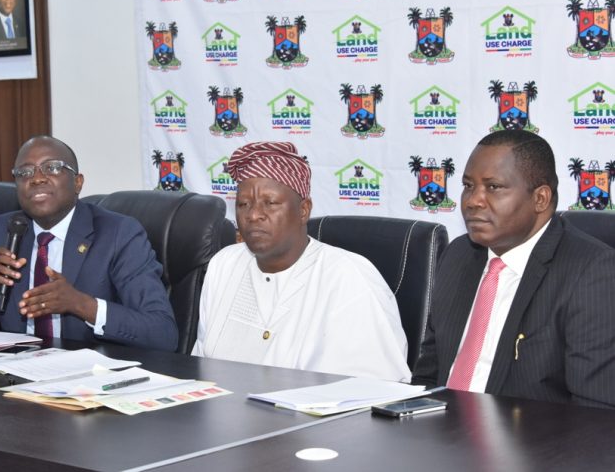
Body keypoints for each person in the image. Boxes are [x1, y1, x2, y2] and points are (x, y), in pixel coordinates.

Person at [412, 130, 615, 408]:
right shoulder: (458, 255)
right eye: (468, 185)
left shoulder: (591, 272)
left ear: (540, 199)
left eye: (493, 187)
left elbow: (596, 413)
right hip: (441, 427)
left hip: (532, 435)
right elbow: (427, 376)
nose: (473, 201)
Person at [192, 141, 410, 380]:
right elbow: (201, 368)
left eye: (270, 203)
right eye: (243, 204)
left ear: (304, 210)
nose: (253, 215)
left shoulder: (348, 277)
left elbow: (379, 387)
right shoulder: (224, 265)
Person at [0, 135, 178, 351]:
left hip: (91, 367)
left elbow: (162, 333)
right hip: (14, 364)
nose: (37, 179)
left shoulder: (118, 234)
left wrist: (80, 304)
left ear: (78, 182)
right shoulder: (5, 229)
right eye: (25, 172)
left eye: (52, 168)